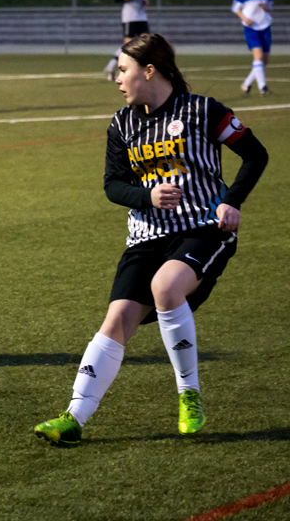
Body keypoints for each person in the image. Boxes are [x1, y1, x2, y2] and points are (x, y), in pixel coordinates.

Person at [35, 34, 268, 447]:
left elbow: (255, 154)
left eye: (123, 70)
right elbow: (112, 185)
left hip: (202, 228)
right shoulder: (121, 123)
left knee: (165, 287)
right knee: (117, 318)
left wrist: (231, 202)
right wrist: (147, 196)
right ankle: (74, 418)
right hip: (145, 235)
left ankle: (189, 395)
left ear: (149, 70)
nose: (118, 79)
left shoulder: (202, 111)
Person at [104, 0, 150, 81]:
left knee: (146, 43)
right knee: (128, 45)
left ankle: (143, 71)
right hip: (129, 16)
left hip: (141, 15)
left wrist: (143, 1)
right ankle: (112, 66)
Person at [232, 0, 273, 96]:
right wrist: (244, 18)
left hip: (264, 26)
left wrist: (264, 7)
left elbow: (270, 8)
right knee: (258, 56)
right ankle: (263, 88)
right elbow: (235, 8)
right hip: (251, 27)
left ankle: (247, 83)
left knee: (264, 61)